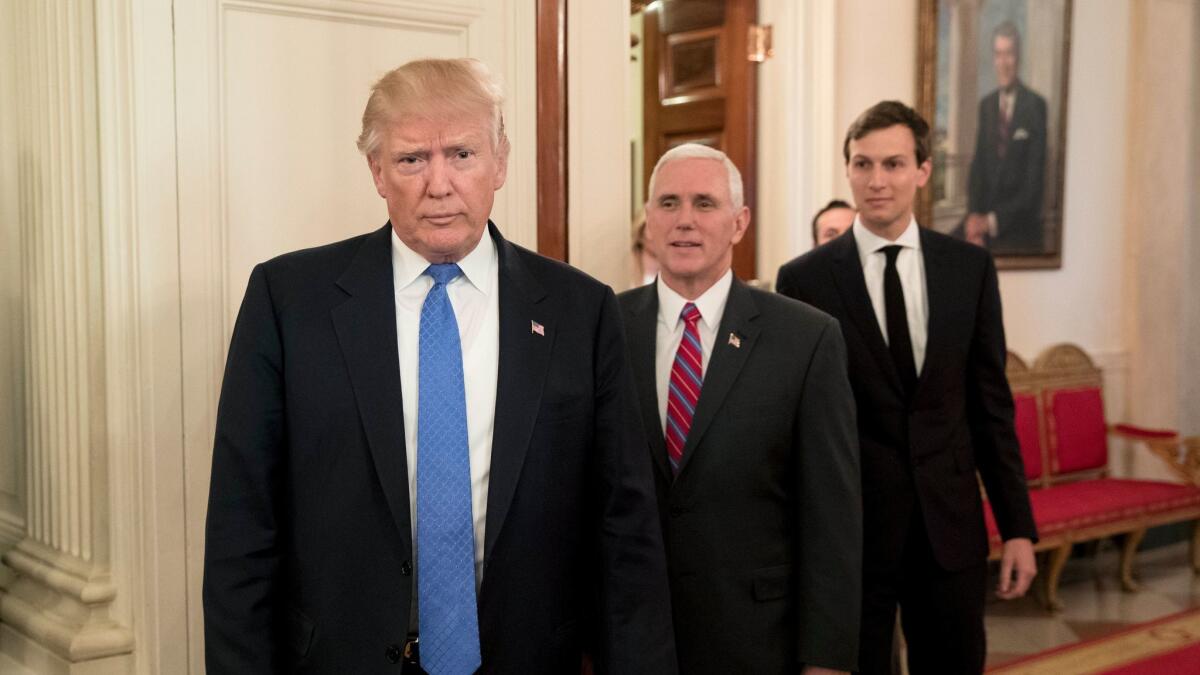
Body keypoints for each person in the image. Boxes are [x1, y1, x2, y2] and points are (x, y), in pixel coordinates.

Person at [202, 58, 676, 674]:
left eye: (462, 154)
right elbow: (243, 527)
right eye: (411, 159)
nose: (439, 183)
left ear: (500, 162)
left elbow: (626, 530)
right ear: (376, 171)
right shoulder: (288, 301)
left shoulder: (579, 311)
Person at [776, 101, 1037, 675]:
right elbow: (796, 424)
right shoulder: (805, 279)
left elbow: (992, 407)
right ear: (847, 169)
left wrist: (1017, 527)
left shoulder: (968, 269)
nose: (876, 181)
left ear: (923, 171)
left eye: (893, 164)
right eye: (862, 164)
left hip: (950, 531)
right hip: (851, 535)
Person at [619, 143, 862, 674]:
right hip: (632, 641)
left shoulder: (806, 338)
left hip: (757, 641)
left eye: (705, 203)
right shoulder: (604, 329)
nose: (684, 220)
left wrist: (828, 659)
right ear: (648, 219)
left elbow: (832, 519)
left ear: (738, 222)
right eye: (668, 203)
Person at [964, 21, 1048, 253]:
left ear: (1018, 57)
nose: (1003, 63)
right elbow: (978, 167)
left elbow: (1033, 187)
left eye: (1009, 54)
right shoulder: (987, 105)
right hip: (982, 227)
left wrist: (990, 222)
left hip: (1018, 228)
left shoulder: (1035, 106)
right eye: (998, 55)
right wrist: (973, 217)